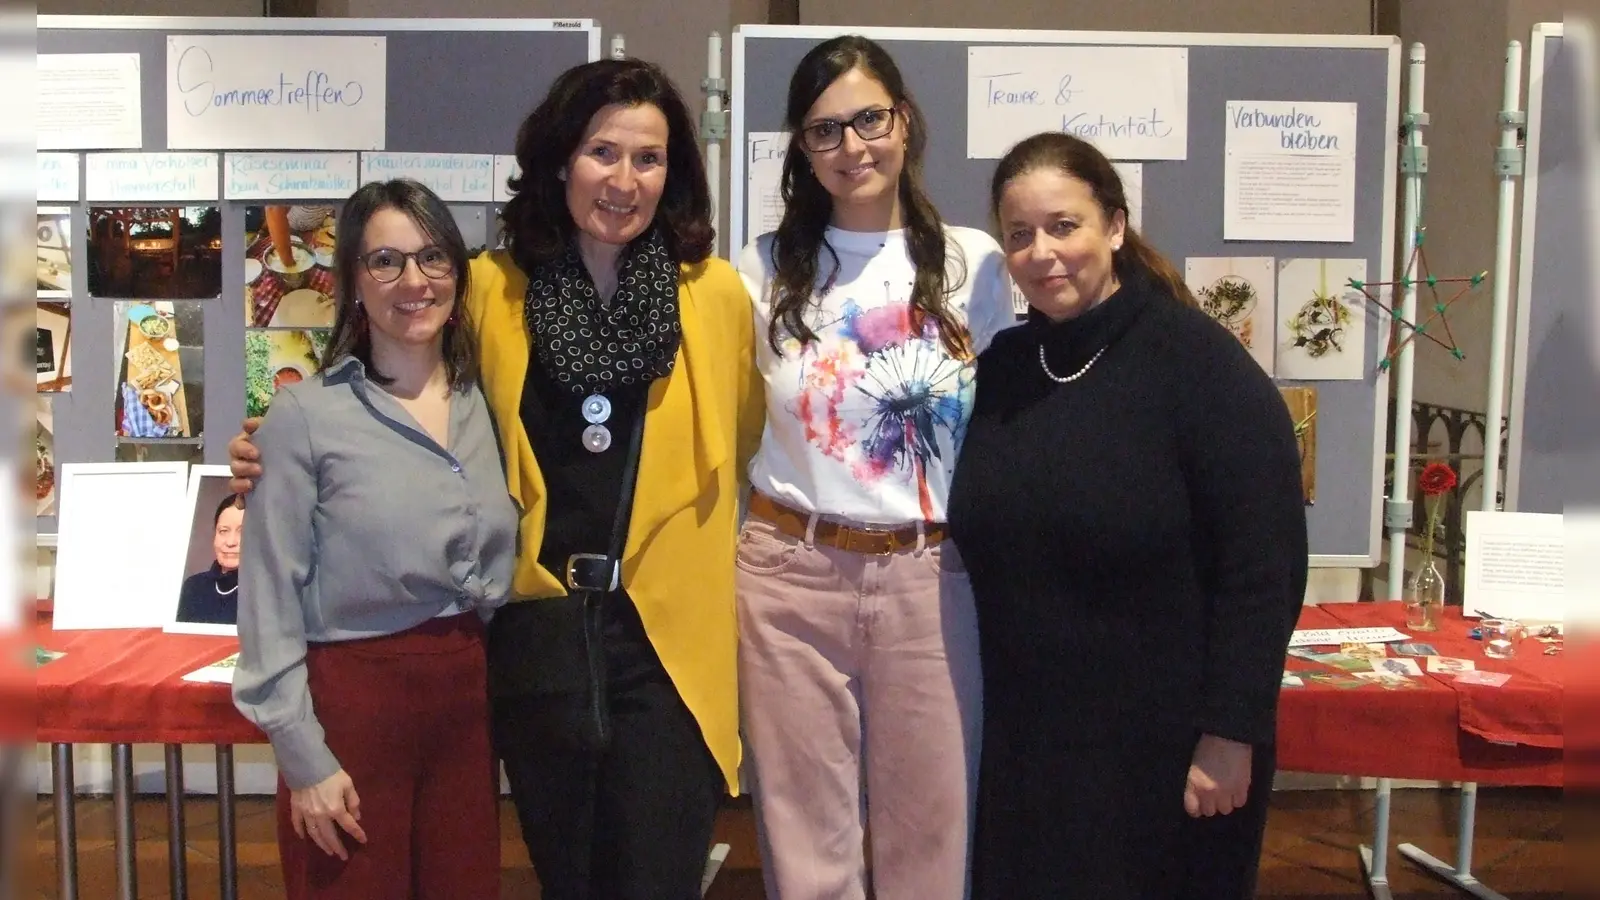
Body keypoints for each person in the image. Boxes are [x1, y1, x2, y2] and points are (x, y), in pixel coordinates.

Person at [230, 58, 761, 900]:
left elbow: (743, 438)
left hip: (668, 646)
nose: (623, 180)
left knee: (660, 873)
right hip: (539, 636)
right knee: (567, 874)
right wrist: (277, 444)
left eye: (649, 159)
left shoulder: (716, 296)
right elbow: (395, 392)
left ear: (676, 173)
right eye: (601, 151)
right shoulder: (489, 290)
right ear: (559, 161)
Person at [946, 131, 1308, 899]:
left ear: (1113, 226)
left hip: (1171, 754)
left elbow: (1263, 568)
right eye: (1020, 235)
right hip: (1031, 748)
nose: (1042, 251)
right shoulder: (1005, 369)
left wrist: (1231, 733)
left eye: (1064, 225)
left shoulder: (1201, 368)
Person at [734, 35, 1014, 900]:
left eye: (869, 120)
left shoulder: (978, 265)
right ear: (802, 151)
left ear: (904, 121)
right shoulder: (761, 269)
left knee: (933, 829)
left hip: (931, 578)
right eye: (825, 131)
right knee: (802, 830)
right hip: (788, 576)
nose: (852, 147)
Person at [231, 178, 518, 900]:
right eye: (386, 261)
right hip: (353, 711)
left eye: (432, 258)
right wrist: (304, 760)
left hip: (466, 706)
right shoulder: (303, 416)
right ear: (353, 279)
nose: (414, 281)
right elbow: (267, 603)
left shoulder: (490, 405)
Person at [174, 494, 243, 625]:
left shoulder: (268, 592)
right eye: (223, 531)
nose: (230, 542)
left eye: (243, 531)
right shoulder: (193, 587)